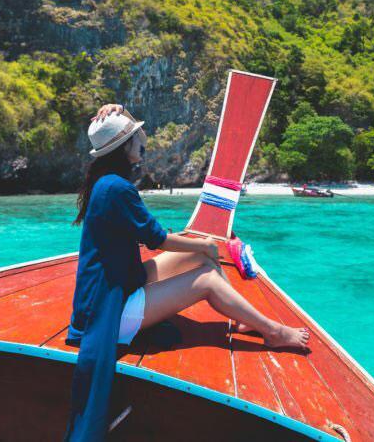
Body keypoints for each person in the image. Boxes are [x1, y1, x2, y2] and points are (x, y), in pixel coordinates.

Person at [66, 104, 309, 441]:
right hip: (110, 310)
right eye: (137, 134)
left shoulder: (104, 181)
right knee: (206, 274)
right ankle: (273, 331)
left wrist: (120, 109)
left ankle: (239, 317)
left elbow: (155, 237)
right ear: (125, 146)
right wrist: (206, 246)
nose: (143, 137)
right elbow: (157, 240)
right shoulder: (118, 189)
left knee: (201, 257)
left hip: (114, 285)